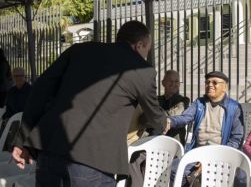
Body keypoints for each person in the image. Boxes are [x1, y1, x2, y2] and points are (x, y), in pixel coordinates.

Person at [12, 20, 168, 187]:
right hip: (94, 162)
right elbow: (154, 114)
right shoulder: (142, 70)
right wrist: (164, 122)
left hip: (49, 149)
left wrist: (22, 140)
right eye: (147, 50)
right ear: (140, 45)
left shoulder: (79, 50)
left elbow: (40, 90)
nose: (146, 55)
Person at [167, 71, 244, 187]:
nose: (210, 85)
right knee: (174, 169)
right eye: (207, 82)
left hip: (222, 154)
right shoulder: (199, 103)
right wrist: (170, 121)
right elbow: (185, 117)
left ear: (225, 87)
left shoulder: (234, 108)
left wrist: (213, 159)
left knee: (236, 178)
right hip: (198, 151)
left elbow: (236, 139)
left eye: (214, 82)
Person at [0, 67, 31, 151]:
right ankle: (5, 150)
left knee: (14, 125)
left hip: (25, 119)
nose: (19, 78)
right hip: (13, 119)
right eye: (16, 76)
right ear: (13, 77)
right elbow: (9, 108)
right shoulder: (11, 92)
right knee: (5, 123)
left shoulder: (31, 91)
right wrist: (7, 118)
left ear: (25, 77)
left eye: (21, 76)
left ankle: (12, 150)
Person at [158, 70, 189, 145]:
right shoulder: (156, 100)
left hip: (174, 143)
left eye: (176, 81)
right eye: (170, 81)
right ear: (163, 83)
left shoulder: (184, 101)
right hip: (153, 140)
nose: (173, 84)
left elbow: (174, 114)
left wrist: (154, 116)